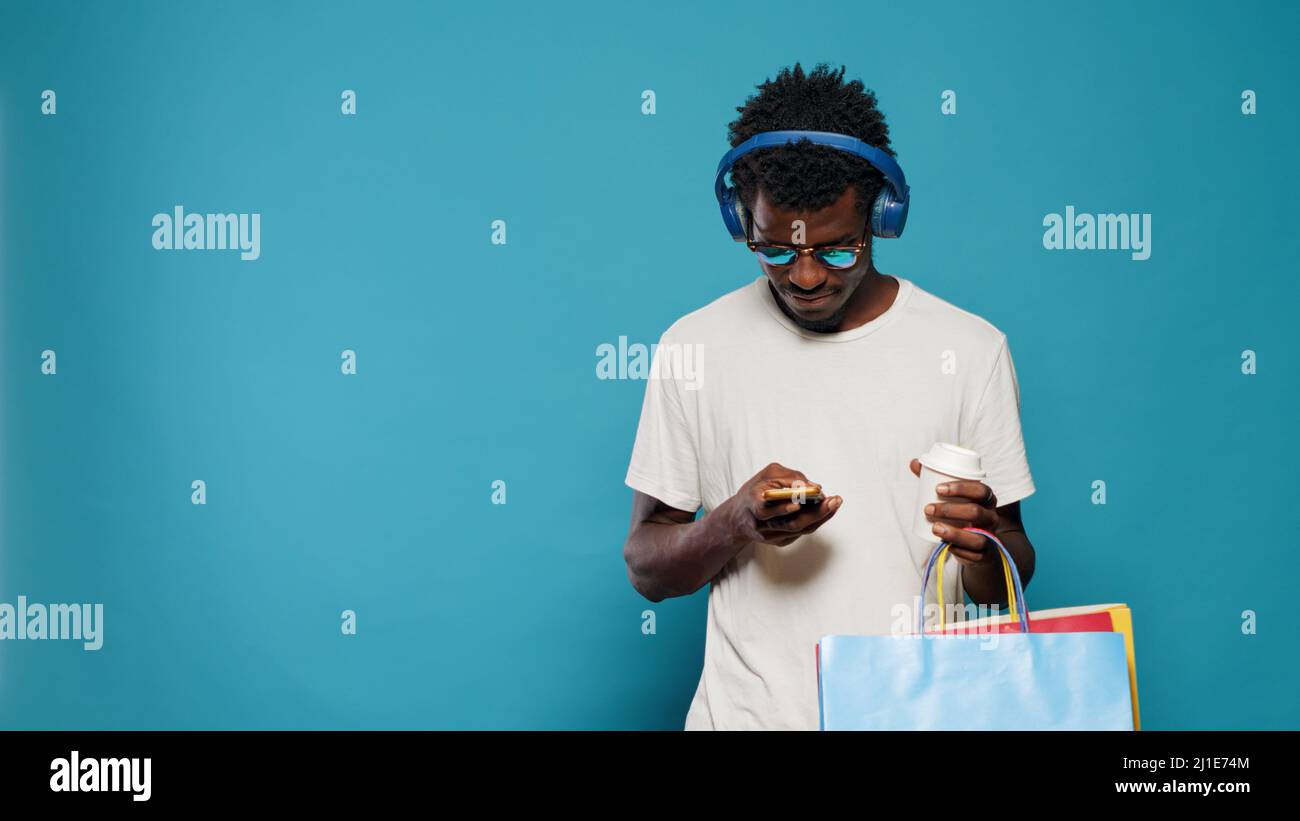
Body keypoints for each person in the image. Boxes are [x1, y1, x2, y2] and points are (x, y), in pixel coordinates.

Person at [621, 63, 1037, 730]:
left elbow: (1012, 562)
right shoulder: (690, 347)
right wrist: (734, 523)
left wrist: (980, 541)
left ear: (881, 218)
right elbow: (646, 565)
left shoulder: (972, 348)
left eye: (838, 249)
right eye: (777, 251)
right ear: (741, 219)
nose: (807, 275)